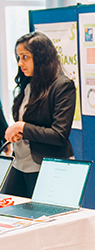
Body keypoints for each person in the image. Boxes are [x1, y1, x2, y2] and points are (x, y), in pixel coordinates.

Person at [3, 31, 76, 197]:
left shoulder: (62, 86)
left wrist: (23, 127)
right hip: (19, 164)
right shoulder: (27, 84)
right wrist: (18, 132)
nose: (20, 63)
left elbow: (59, 135)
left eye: (25, 57)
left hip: (47, 167)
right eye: (18, 57)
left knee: (45, 221)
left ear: (41, 57)